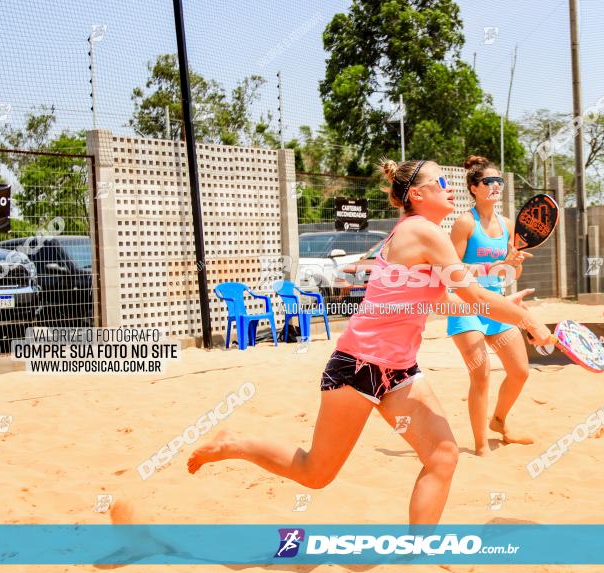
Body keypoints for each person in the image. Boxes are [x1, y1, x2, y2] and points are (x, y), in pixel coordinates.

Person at [187, 159, 553, 525]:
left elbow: (440, 300)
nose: (449, 185)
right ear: (417, 194)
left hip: (400, 370)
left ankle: (416, 558)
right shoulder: (423, 232)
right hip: (358, 365)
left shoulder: (420, 235)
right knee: (315, 472)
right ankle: (233, 443)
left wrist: (507, 310)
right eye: (440, 181)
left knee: (443, 456)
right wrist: (527, 318)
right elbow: (472, 293)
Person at [447, 155, 533, 456]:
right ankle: (481, 445)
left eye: (499, 181)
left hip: (497, 305)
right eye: (488, 182)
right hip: (467, 306)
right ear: (474, 187)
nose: (496, 186)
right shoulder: (464, 223)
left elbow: (511, 273)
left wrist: (513, 264)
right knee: (481, 374)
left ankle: (499, 421)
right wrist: (498, 264)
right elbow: (452, 273)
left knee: (520, 371)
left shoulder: (507, 224)